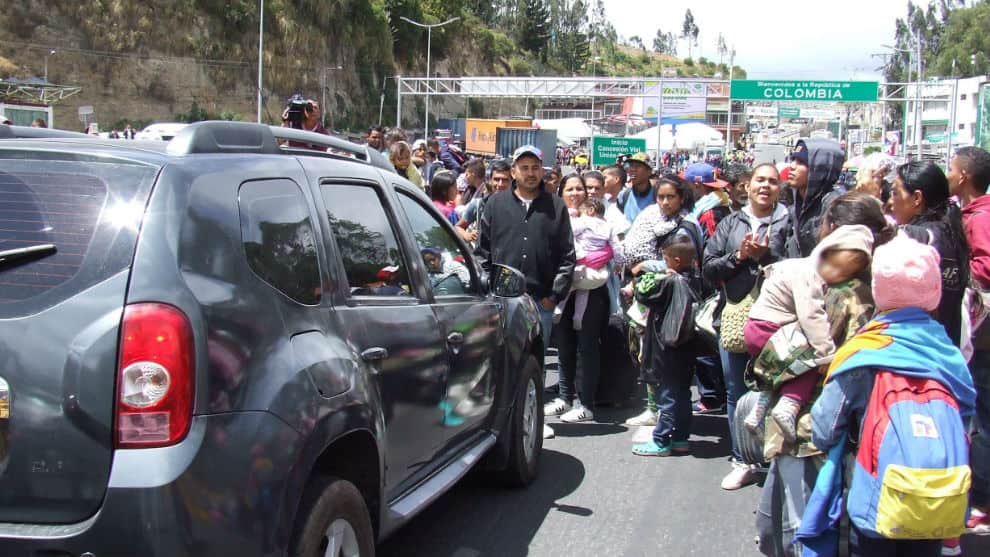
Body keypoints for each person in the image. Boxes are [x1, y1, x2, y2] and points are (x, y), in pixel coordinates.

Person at [808, 234, 975, 557]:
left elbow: (824, 429)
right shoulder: (948, 354)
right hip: (939, 496)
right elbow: (965, 421)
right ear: (934, 292)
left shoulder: (864, 353)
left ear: (878, 290)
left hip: (876, 500)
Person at [756, 192, 895, 556]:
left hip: (812, 428)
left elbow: (788, 360)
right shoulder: (883, 284)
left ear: (835, 233)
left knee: (802, 526)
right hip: (857, 428)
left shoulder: (835, 292)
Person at [475, 145, 575, 439]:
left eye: (535, 167)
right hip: (501, 300)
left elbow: (567, 257)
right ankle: (494, 419)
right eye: (524, 167)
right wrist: (487, 287)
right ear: (513, 171)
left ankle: (531, 418)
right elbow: (482, 250)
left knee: (534, 363)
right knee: (498, 360)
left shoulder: (556, 206)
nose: (530, 173)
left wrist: (553, 296)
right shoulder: (494, 204)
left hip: (539, 301)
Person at [703, 163, 791, 490]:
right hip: (736, 318)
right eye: (760, 181)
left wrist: (768, 255)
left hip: (780, 321)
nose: (765, 186)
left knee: (779, 390)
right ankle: (742, 458)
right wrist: (738, 257)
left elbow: (802, 264)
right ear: (748, 186)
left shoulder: (789, 221)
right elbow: (709, 270)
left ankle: (777, 458)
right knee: (736, 390)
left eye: (772, 181)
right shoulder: (730, 223)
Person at [742, 225, 874, 443]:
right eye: (836, 268)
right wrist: (826, 353)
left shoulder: (796, 265)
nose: (836, 276)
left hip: (756, 328)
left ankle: (758, 411)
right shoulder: (809, 274)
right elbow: (811, 316)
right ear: (826, 253)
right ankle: (789, 406)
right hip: (771, 331)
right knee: (808, 363)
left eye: (845, 273)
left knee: (778, 372)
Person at [620, 175, 703, 427]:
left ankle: (667, 421)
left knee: (666, 363)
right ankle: (655, 408)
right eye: (660, 197)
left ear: (682, 198)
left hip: (673, 302)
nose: (665, 202)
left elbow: (681, 262)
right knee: (647, 353)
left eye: (671, 197)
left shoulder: (686, 226)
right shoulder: (655, 220)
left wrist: (646, 266)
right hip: (654, 299)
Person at [544, 174, 613, 424]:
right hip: (562, 289)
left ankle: (585, 403)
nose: (575, 193)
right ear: (561, 192)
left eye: (579, 189)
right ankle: (564, 397)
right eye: (570, 189)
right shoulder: (553, 216)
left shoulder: (600, 218)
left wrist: (604, 253)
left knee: (586, 347)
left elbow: (614, 246)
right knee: (564, 348)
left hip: (592, 290)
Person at [947, 146, 990, 532]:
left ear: (963, 177)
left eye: (950, 168)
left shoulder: (979, 218)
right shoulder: (967, 213)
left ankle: (982, 499)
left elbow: (986, 265)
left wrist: (961, 269)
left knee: (982, 414)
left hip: (983, 333)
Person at [631, 235, 703, 456]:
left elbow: (642, 291)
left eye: (666, 258)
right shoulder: (696, 279)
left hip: (668, 345)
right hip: (687, 344)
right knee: (682, 393)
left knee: (667, 394)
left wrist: (657, 276)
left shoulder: (671, 281)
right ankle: (680, 438)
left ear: (677, 260)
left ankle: (661, 440)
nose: (664, 262)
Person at [890, 161, 969, 346]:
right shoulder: (952, 233)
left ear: (917, 198)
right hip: (946, 347)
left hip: (917, 345)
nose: (890, 201)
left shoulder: (913, 238)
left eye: (895, 193)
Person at [555, 195, 623, 330]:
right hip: (597, 268)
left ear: (590, 210)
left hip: (580, 263)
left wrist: (572, 215)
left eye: (581, 211)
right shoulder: (608, 226)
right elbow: (617, 246)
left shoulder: (584, 221)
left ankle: (558, 309)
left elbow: (570, 231)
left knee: (567, 287)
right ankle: (578, 318)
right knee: (584, 292)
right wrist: (619, 262)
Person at [786, 139, 845, 257]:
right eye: (793, 159)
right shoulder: (797, 205)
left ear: (819, 168)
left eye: (801, 162)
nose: (792, 166)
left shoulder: (836, 206)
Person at [684, 162, 732, 239]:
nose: (685, 188)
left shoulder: (709, 216)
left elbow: (710, 248)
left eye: (687, 184)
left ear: (697, 185)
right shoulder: (720, 202)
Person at [618, 152, 656, 225]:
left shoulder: (657, 196)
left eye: (638, 166)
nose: (632, 169)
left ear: (649, 172)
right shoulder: (623, 196)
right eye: (631, 166)